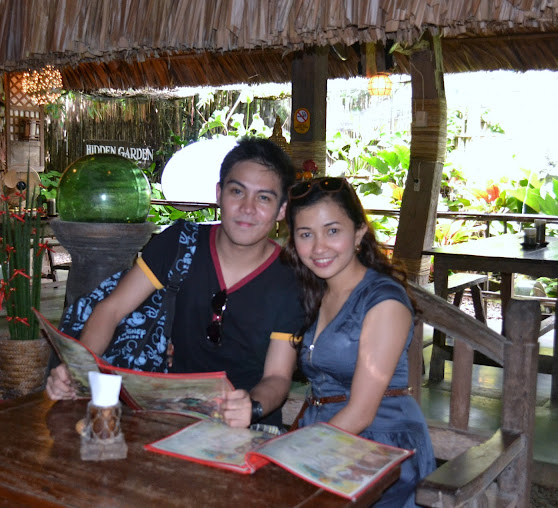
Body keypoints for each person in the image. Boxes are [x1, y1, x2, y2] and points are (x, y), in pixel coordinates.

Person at [46, 137, 304, 429]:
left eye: (264, 198)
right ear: (219, 193)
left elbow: (278, 377)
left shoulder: (290, 279)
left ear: (281, 210)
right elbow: (112, 309)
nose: (247, 207)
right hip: (170, 416)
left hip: (246, 427)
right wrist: (77, 370)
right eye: (237, 191)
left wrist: (252, 407)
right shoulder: (180, 244)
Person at [282, 177, 436, 507]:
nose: (319, 247)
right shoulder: (316, 292)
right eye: (306, 234)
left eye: (332, 231)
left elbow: (361, 413)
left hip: (380, 445)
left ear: (359, 233)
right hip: (328, 435)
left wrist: (291, 453)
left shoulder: (383, 301)